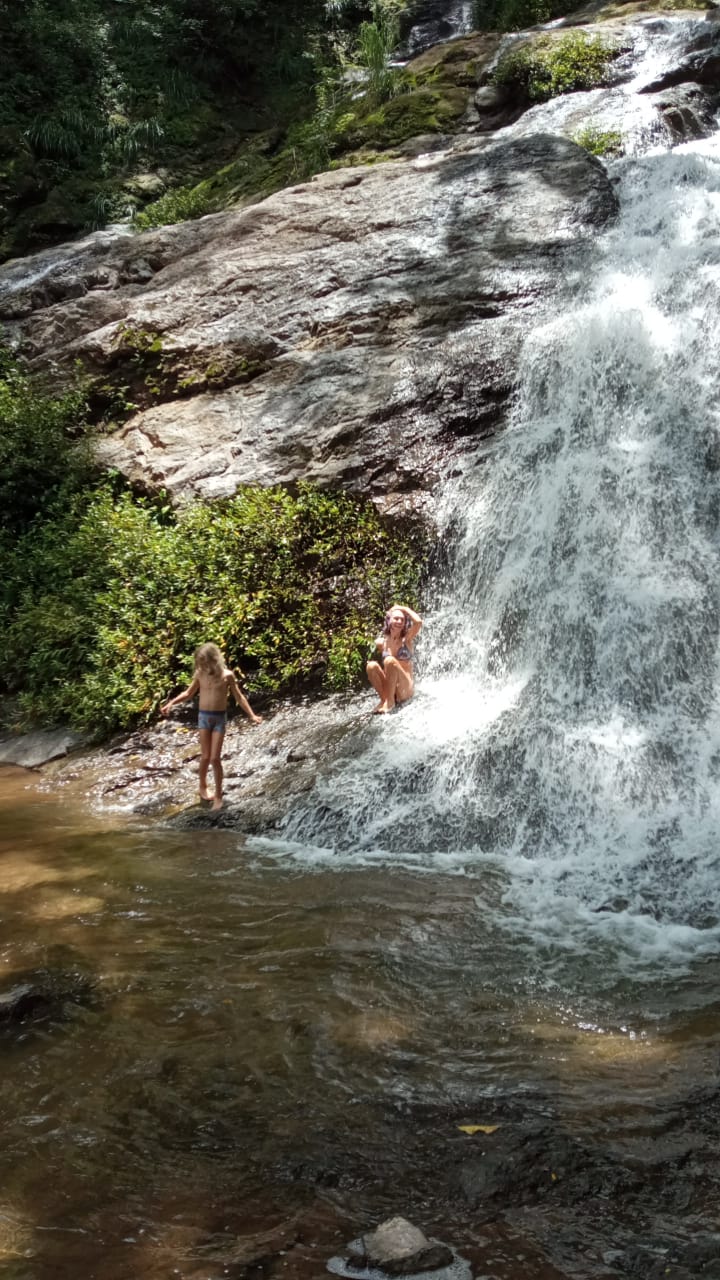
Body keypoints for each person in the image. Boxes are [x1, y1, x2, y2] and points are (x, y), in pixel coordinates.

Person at [160, 643, 262, 810]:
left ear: (214, 660)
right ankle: (203, 786)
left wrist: (252, 715)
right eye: (200, 664)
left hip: (219, 718)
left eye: (205, 663)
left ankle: (219, 796)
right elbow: (188, 693)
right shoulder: (200, 674)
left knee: (215, 758)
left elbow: (239, 697)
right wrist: (171, 703)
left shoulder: (227, 675)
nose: (202, 667)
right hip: (204, 718)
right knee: (206, 756)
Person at [366, 604, 422, 715]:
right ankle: (384, 700)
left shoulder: (407, 639)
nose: (399, 621)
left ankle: (390, 703)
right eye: (396, 618)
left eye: (402, 620)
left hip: (405, 688)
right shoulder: (382, 643)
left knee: (390, 660)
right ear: (389, 620)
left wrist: (404, 609)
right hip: (391, 688)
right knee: (371, 666)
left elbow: (418, 622)